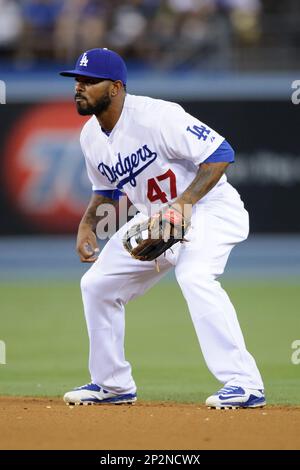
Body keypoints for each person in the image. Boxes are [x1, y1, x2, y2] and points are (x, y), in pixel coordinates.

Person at [60, 48, 265, 409]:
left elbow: (220, 153)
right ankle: (113, 385)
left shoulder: (157, 116)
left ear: (116, 87)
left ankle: (244, 383)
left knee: (194, 276)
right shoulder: (90, 136)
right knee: (96, 285)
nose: (80, 87)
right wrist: (88, 224)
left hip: (208, 209)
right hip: (157, 218)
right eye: (77, 80)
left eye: (90, 81)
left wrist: (182, 206)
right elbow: (106, 190)